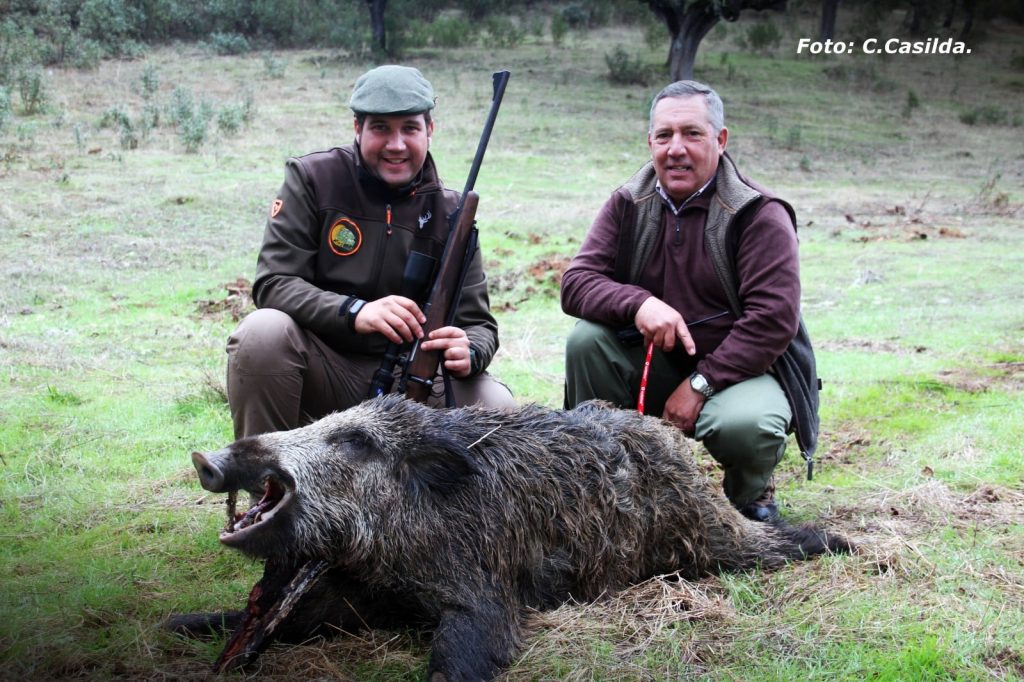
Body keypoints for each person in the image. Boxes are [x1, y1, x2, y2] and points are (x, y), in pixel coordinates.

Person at [560, 80, 820, 522]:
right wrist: (640, 304)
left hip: (741, 373)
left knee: (746, 425)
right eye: (664, 135)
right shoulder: (628, 202)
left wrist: (701, 384)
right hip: (656, 362)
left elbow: (772, 320)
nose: (675, 149)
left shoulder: (759, 213)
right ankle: (607, 486)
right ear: (650, 142)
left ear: (721, 140)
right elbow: (576, 282)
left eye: (692, 134)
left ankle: (749, 500)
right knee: (586, 341)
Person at [226, 64, 514, 439]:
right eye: (380, 128)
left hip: (413, 381)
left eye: (409, 128)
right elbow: (275, 283)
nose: (396, 145)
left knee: (498, 406)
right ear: (357, 128)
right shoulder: (313, 178)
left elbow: (479, 324)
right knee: (261, 333)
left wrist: (469, 351)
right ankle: (266, 474)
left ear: (429, 130)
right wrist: (355, 311)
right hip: (325, 369)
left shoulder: (451, 213)